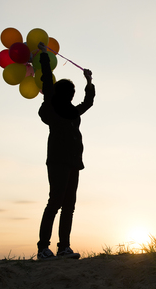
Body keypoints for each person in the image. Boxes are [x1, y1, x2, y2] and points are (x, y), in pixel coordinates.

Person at [36, 42, 95, 260]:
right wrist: (43, 55)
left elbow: (88, 102)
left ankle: (63, 248)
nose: (72, 94)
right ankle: (43, 248)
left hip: (73, 163)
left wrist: (89, 81)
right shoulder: (52, 106)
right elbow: (46, 80)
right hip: (58, 162)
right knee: (55, 202)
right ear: (64, 94)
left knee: (68, 206)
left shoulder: (72, 111)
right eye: (71, 91)